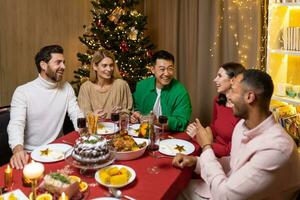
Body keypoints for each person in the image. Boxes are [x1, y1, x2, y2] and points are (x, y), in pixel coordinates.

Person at [173, 69, 300, 200]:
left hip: (226, 195)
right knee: (176, 188)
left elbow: (225, 196)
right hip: (225, 190)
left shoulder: (277, 149)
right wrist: (196, 162)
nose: (228, 96)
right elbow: (235, 164)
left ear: (249, 97)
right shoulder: (242, 126)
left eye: (233, 91)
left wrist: (206, 147)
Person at [8, 45, 82, 169]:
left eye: (64, 62)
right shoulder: (23, 92)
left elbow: (77, 115)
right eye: (58, 62)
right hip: (30, 155)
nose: (63, 67)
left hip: (60, 151)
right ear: (43, 65)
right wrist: (17, 150)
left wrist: (85, 132)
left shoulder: (66, 87)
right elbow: (16, 124)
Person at [186, 62, 245, 157]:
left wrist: (200, 138)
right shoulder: (218, 101)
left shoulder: (242, 111)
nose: (215, 79)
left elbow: (230, 152)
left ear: (232, 81)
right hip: (210, 150)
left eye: (220, 76)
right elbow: (214, 127)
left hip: (226, 159)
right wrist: (200, 131)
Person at [131, 50, 192, 132]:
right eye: (162, 69)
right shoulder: (141, 86)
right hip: (144, 133)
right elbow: (135, 109)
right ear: (153, 69)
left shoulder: (181, 92)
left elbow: (182, 122)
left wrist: (157, 121)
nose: (166, 73)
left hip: (169, 137)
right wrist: (135, 116)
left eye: (170, 69)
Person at [78, 50, 132, 118]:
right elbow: (82, 115)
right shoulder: (85, 87)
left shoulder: (121, 85)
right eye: (104, 65)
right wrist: (93, 116)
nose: (109, 69)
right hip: (94, 128)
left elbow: (130, 112)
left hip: (117, 128)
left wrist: (121, 113)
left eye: (111, 65)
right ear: (95, 66)